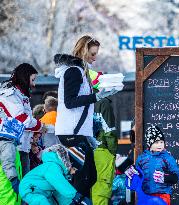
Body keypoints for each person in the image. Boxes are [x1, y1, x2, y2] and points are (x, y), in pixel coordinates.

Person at [54, 35, 117, 197]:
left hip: (78, 132)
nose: (95, 58)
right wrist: (97, 96)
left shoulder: (81, 72)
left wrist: (102, 93)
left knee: (86, 177)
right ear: (83, 50)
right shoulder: (74, 71)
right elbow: (70, 102)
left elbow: (81, 100)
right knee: (86, 178)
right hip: (71, 133)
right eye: (93, 53)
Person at [0, 63, 44, 203]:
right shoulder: (10, 94)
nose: (34, 84)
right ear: (25, 78)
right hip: (13, 147)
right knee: (18, 187)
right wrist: (40, 126)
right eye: (33, 79)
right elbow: (21, 119)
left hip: (22, 147)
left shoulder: (21, 95)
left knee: (24, 188)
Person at [126, 125, 179, 205]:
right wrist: (131, 172)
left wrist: (165, 177)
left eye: (162, 142)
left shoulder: (167, 158)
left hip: (163, 195)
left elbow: (177, 176)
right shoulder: (142, 158)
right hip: (146, 194)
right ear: (149, 144)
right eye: (156, 142)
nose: (160, 145)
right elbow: (137, 173)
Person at [19, 144, 92, 205]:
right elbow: (59, 183)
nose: (75, 172)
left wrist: (70, 202)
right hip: (30, 188)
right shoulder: (52, 166)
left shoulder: (62, 172)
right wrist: (77, 196)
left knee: (52, 201)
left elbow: (60, 193)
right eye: (75, 168)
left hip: (45, 192)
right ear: (70, 163)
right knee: (41, 201)